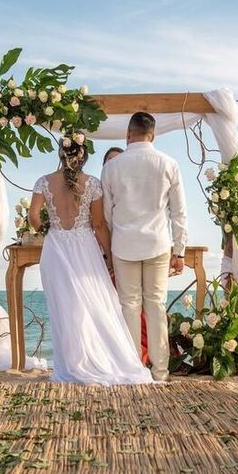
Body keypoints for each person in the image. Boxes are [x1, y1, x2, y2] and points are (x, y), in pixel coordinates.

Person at [28, 139, 153, 385]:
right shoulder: (93, 184)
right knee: (95, 304)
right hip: (85, 248)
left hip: (56, 247)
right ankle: (94, 358)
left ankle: (72, 363)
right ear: (84, 157)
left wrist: (49, 230)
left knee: (64, 308)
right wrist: (108, 254)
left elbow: (33, 216)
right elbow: (98, 225)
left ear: (61, 154)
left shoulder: (43, 182)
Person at [102, 112, 188, 382]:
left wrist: (113, 240)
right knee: (156, 306)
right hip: (158, 243)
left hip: (124, 244)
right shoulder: (168, 163)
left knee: (128, 306)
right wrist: (180, 250)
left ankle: (133, 370)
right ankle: (160, 372)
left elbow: (106, 214)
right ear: (153, 135)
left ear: (128, 134)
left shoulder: (111, 168)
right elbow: (179, 213)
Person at [102, 147, 149, 366]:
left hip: (130, 255)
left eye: (119, 161)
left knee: (136, 304)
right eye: (110, 162)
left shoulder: (135, 195)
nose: (115, 165)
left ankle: (141, 354)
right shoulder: (98, 192)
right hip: (104, 258)